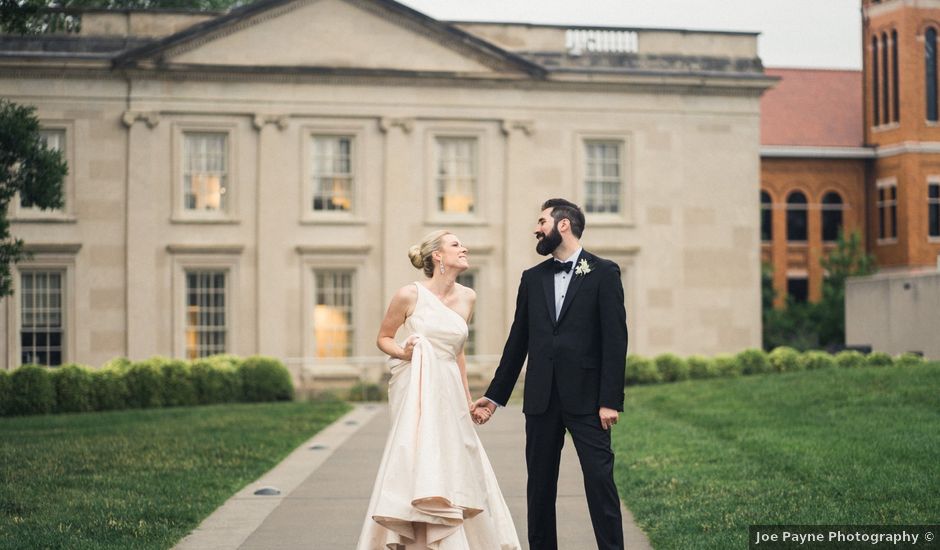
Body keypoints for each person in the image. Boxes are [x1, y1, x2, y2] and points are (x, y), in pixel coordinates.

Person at [472, 198, 628, 550]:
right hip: (541, 400)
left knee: (600, 481)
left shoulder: (604, 272)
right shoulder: (532, 278)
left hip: (589, 401)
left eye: (541, 221)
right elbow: (518, 342)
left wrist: (609, 400)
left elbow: (615, 341)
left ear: (563, 225)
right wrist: (495, 395)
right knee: (539, 488)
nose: (536, 228)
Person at [357, 230, 520, 550]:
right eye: (456, 245)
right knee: (419, 454)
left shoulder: (467, 297)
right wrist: (405, 351)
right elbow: (384, 337)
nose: (465, 249)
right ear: (438, 256)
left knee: (458, 456)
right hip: (416, 384)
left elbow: (458, 351)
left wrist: (468, 398)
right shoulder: (409, 294)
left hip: (449, 388)